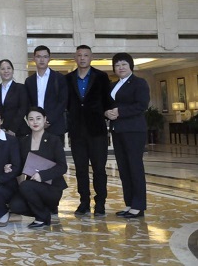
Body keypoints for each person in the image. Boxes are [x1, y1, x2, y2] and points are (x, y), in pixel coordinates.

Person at [66, 45, 112, 217]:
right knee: (80, 170)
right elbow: (66, 104)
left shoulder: (101, 77)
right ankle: (84, 202)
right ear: (75, 58)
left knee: (99, 169)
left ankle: (100, 203)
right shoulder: (68, 79)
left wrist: (108, 112)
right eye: (79, 55)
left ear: (91, 58)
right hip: (77, 131)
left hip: (97, 130)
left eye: (86, 55)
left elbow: (107, 100)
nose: (82, 58)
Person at [105, 52, 150, 219]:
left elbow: (142, 105)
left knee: (134, 167)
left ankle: (138, 206)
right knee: (124, 168)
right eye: (117, 65)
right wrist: (107, 113)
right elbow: (108, 105)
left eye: (124, 64)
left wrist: (120, 112)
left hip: (134, 131)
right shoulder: (113, 85)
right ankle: (130, 203)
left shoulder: (139, 83)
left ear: (131, 66)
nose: (120, 67)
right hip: (118, 130)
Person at [10, 107, 68, 228]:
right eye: (31, 119)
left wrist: (42, 175)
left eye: (38, 118)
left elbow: (62, 167)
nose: (35, 122)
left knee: (25, 185)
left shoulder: (54, 140)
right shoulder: (24, 141)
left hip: (52, 187)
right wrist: (11, 167)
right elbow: (21, 166)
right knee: (15, 205)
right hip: (32, 187)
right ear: (27, 121)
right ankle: (44, 213)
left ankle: (41, 218)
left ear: (45, 119)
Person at [24, 45, 68, 143]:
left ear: (49, 59)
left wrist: (48, 120)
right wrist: (34, 120)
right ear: (34, 59)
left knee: (55, 153)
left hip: (55, 126)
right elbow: (28, 103)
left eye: (45, 56)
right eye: (38, 56)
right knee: (37, 153)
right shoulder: (29, 81)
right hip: (35, 127)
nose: (42, 60)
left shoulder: (59, 78)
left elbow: (63, 102)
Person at [0, 59, 29, 137]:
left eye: (8, 68)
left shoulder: (20, 88)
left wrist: (12, 129)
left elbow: (23, 109)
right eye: (3, 69)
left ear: (13, 70)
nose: (6, 71)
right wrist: (1, 127)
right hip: (1, 130)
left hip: (18, 130)